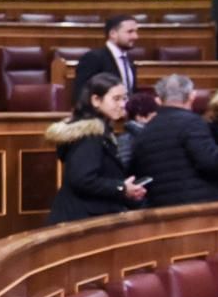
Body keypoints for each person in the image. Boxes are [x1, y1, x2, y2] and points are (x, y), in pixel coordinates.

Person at [45, 73, 147, 225]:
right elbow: (83, 180)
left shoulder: (101, 132)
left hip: (89, 216)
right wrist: (121, 187)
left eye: (124, 98)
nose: (122, 104)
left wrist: (126, 191)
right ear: (96, 100)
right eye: (116, 99)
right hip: (80, 220)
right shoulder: (89, 135)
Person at [129, 74, 218, 207]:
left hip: (161, 207)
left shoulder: (146, 130)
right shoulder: (193, 123)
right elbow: (209, 161)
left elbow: (137, 172)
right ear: (192, 96)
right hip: (197, 206)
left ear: (159, 99)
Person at [71, 14, 139, 96]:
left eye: (136, 31)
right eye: (130, 32)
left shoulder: (129, 60)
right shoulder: (93, 58)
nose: (135, 36)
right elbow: (83, 93)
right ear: (113, 34)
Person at [117, 90, 161, 169]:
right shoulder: (126, 139)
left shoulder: (152, 133)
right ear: (140, 117)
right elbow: (124, 165)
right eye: (153, 115)